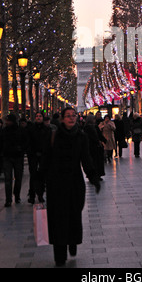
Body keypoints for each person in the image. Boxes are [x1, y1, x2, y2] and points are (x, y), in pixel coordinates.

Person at [42, 107, 100, 267]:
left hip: (75, 184)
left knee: (74, 215)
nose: (71, 118)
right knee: (58, 219)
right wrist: (39, 182)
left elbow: (86, 159)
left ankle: (72, 241)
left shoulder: (81, 137)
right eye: (67, 116)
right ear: (61, 119)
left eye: (73, 115)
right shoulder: (53, 136)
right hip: (56, 184)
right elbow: (46, 159)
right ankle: (59, 255)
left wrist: (94, 177)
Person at [0, 114, 28, 207]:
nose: (7, 122)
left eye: (8, 121)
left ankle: (17, 195)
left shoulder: (20, 131)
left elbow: (25, 143)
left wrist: (21, 149)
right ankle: (8, 199)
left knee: (18, 178)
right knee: (8, 179)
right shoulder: (4, 131)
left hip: (17, 157)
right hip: (7, 157)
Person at [28, 112, 51, 204]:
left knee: (42, 176)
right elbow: (28, 142)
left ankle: (40, 194)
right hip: (33, 156)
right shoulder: (31, 129)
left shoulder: (46, 129)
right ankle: (32, 195)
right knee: (33, 176)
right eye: (37, 116)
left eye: (40, 116)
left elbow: (48, 143)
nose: (38, 118)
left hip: (43, 156)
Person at [83, 114, 105, 180]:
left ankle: (98, 174)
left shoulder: (94, 126)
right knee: (93, 162)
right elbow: (91, 137)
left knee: (97, 161)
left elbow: (99, 135)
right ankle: (94, 175)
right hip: (92, 147)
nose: (95, 120)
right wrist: (98, 141)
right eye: (93, 119)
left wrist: (103, 140)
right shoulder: (87, 128)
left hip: (96, 147)